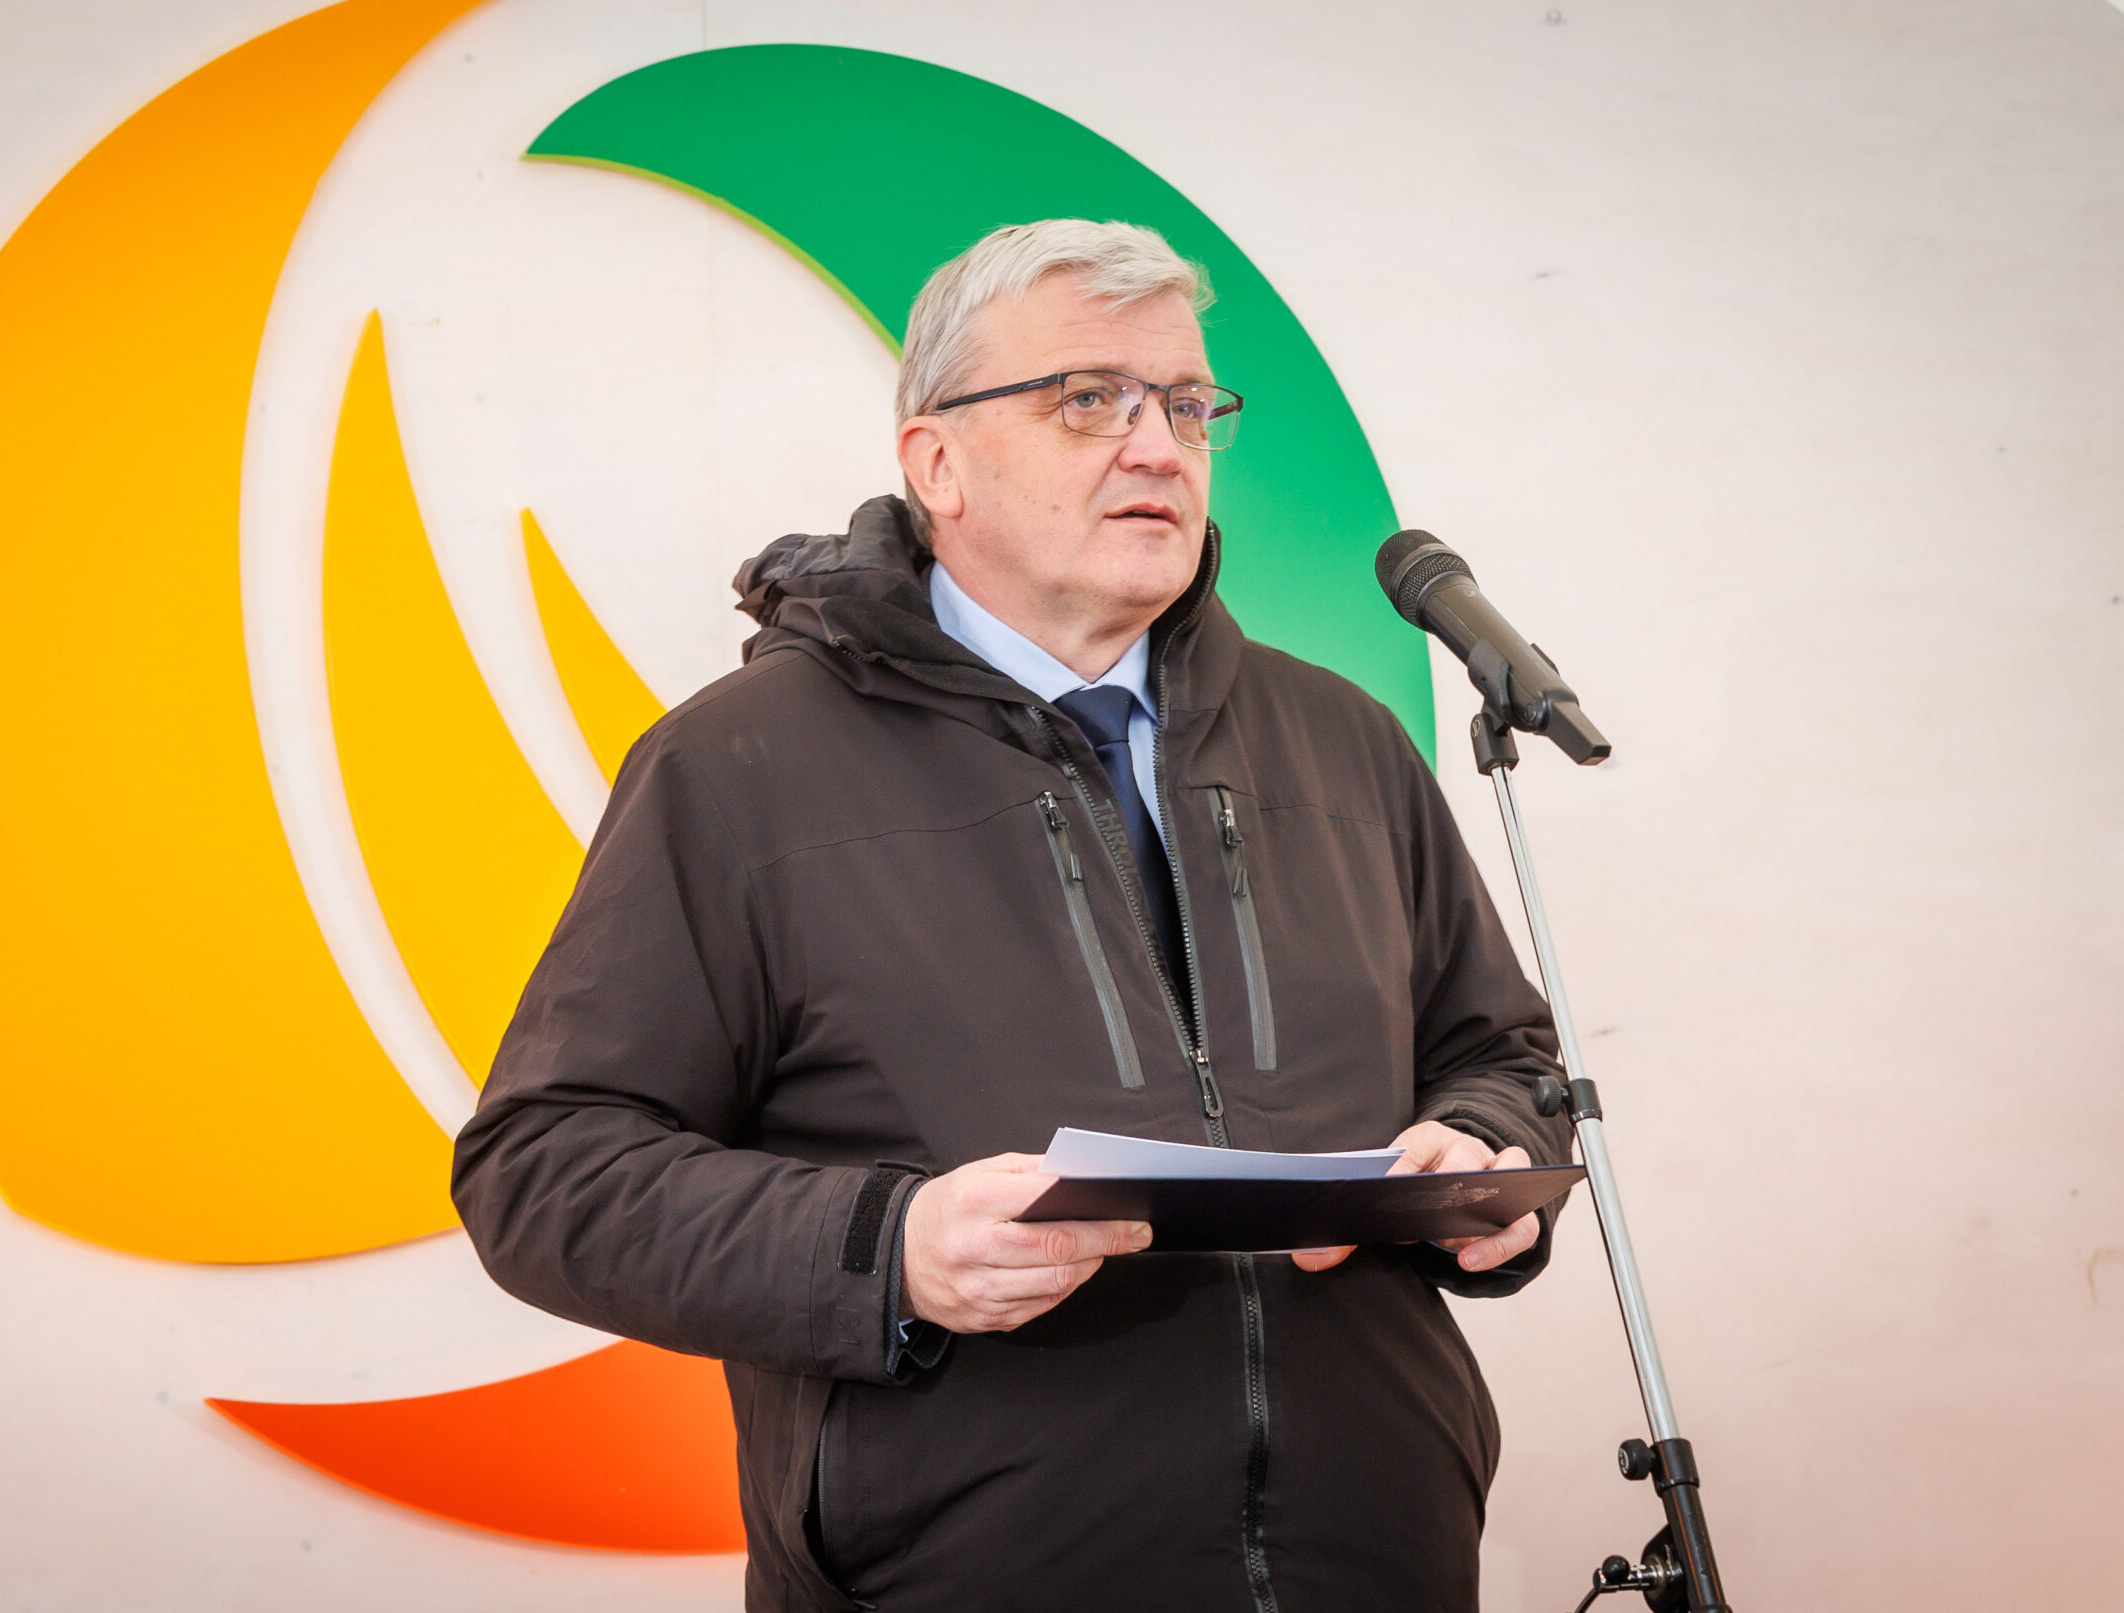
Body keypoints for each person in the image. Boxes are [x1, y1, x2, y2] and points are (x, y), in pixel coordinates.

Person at [451, 219, 1572, 1612]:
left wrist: (1486, 1144)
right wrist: (892, 1249)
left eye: (1187, 406)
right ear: (937, 465)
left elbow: (1504, 1057)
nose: (1159, 448)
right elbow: (545, 1170)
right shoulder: (737, 766)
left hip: (1379, 1561)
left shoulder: (1343, 741)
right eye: (1088, 399)